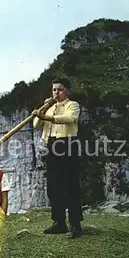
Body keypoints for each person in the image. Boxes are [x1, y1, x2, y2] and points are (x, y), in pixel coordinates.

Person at [32, 77, 84, 239]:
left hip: (68, 144)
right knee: (54, 185)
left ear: (67, 90)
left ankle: (75, 225)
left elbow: (69, 119)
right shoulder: (49, 107)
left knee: (71, 185)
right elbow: (36, 124)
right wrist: (43, 108)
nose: (56, 92)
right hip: (52, 145)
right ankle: (59, 223)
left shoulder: (72, 105)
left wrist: (46, 117)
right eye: (54, 89)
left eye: (60, 89)